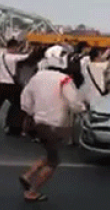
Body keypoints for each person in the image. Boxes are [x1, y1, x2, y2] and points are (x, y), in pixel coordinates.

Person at [19, 62, 84, 202]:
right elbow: (74, 103)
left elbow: (25, 100)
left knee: (49, 153)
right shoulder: (64, 79)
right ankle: (32, 192)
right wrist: (82, 109)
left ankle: (28, 175)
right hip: (54, 125)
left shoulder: (37, 77)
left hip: (38, 123)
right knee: (54, 162)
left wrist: (32, 112)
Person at [0, 39, 27, 135]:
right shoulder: (14, 58)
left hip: (1, 83)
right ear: (14, 47)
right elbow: (26, 57)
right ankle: (12, 123)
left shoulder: (1, 56)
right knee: (17, 104)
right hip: (11, 85)